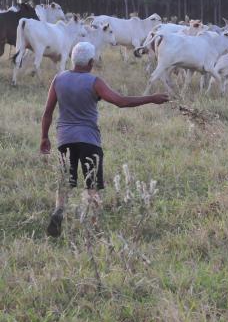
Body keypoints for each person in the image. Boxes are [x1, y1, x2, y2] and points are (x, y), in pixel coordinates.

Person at [40, 41, 169, 237]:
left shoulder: (58, 79)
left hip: (65, 140)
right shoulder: (94, 82)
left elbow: (47, 112)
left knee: (65, 182)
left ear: (72, 59)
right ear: (91, 62)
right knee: (92, 186)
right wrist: (151, 98)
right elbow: (121, 102)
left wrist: (44, 137)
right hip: (89, 141)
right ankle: (95, 228)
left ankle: (59, 211)